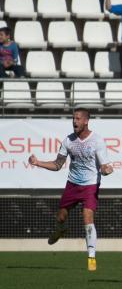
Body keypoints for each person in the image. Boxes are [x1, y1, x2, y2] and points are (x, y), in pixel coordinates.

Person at [27, 108, 114, 272]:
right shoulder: (68, 141)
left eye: (78, 119)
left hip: (90, 184)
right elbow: (58, 165)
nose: (75, 122)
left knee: (87, 216)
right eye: (73, 118)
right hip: (73, 184)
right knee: (61, 216)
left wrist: (106, 170)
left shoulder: (97, 141)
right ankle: (60, 229)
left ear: (86, 121)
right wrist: (38, 163)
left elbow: (104, 165)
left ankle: (91, 257)